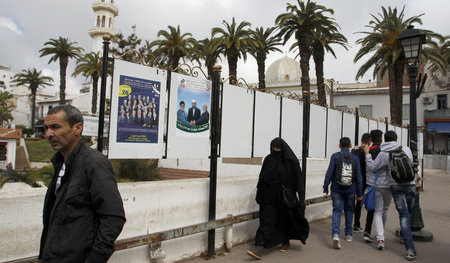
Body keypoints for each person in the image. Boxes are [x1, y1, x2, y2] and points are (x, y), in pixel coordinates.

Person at [39, 105, 126, 262]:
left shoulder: (94, 163)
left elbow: (113, 218)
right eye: (46, 128)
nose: (48, 134)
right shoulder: (60, 164)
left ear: (77, 128)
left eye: (55, 127)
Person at [247, 138, 309, 260]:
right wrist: (260, 195)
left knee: (284, 220)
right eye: (273, 149)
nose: (275, 151)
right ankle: (259, 248)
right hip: (269, 198)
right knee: (266, 221)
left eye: (278, 149)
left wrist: (301, 199)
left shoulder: (290, 162)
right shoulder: (268, 160)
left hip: (284, 199)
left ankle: (285, 241)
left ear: (282, 149)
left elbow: (299, 181)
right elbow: (262, 178)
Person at [365, 130, 417, 260]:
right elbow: (411, 163)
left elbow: (372, 168)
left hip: (392, 185)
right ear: (396, 138)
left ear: (385, 139)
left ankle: (381, 239)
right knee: (405, 214)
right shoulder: (406, 149)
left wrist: (367, 155)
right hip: (409, 184)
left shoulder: (383, 153)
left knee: (383, 211)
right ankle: (405, 236)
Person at [323, 137, 363, 249]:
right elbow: (359, 177)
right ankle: (349, 234)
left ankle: (336, 234)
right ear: (350, 145)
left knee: (337, 210)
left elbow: (329, 173)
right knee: (349, 210)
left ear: (339, 145)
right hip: (351, 189)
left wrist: (325, 188)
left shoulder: (335, 156)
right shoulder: (355, 158)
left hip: (336, 188)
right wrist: (359, 193)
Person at [364, 129, 394, 250]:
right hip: (388, 184)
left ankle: (373, 233)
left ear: (371, 139)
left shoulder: (370, 151)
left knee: (374, 210)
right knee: (385, 210)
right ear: (381, 139)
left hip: (373, 184)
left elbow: (369, 167)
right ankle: (380, 232)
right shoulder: (388, 151)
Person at [351, 133, 371, 234]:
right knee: (360, 202)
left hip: (352, 179)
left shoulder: (354, 150)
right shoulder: (367, 151)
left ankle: (352, 223)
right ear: (369, 141)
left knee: (352, 201)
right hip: (364, 180)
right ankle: (357, 224)